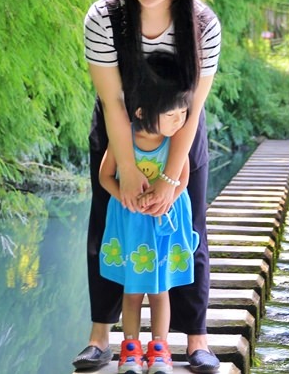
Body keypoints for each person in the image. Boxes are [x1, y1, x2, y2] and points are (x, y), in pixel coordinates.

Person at [74, 0, 222, 374]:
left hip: (182, 132)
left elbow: (194, 107)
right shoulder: (104, 18)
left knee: (189, 223)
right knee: (107, 225)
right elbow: (113, 103)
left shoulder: (202, 24)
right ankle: (101, 336)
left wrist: (172, 179)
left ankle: (195, 338)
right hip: (121, 132)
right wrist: (130, 169)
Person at [99, 52, 200, 374]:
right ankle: (130, 347)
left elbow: (183, 178)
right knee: (132, 291)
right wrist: (124, 197)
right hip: (130, 224)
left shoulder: (175, 142)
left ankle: (159, 348)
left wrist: (168, 198)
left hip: (163, 223)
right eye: (172, 115)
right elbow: (105, 176)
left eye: (184, 113)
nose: (179, 122)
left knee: (159, 290)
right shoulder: (123, 138)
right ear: (142, 111)